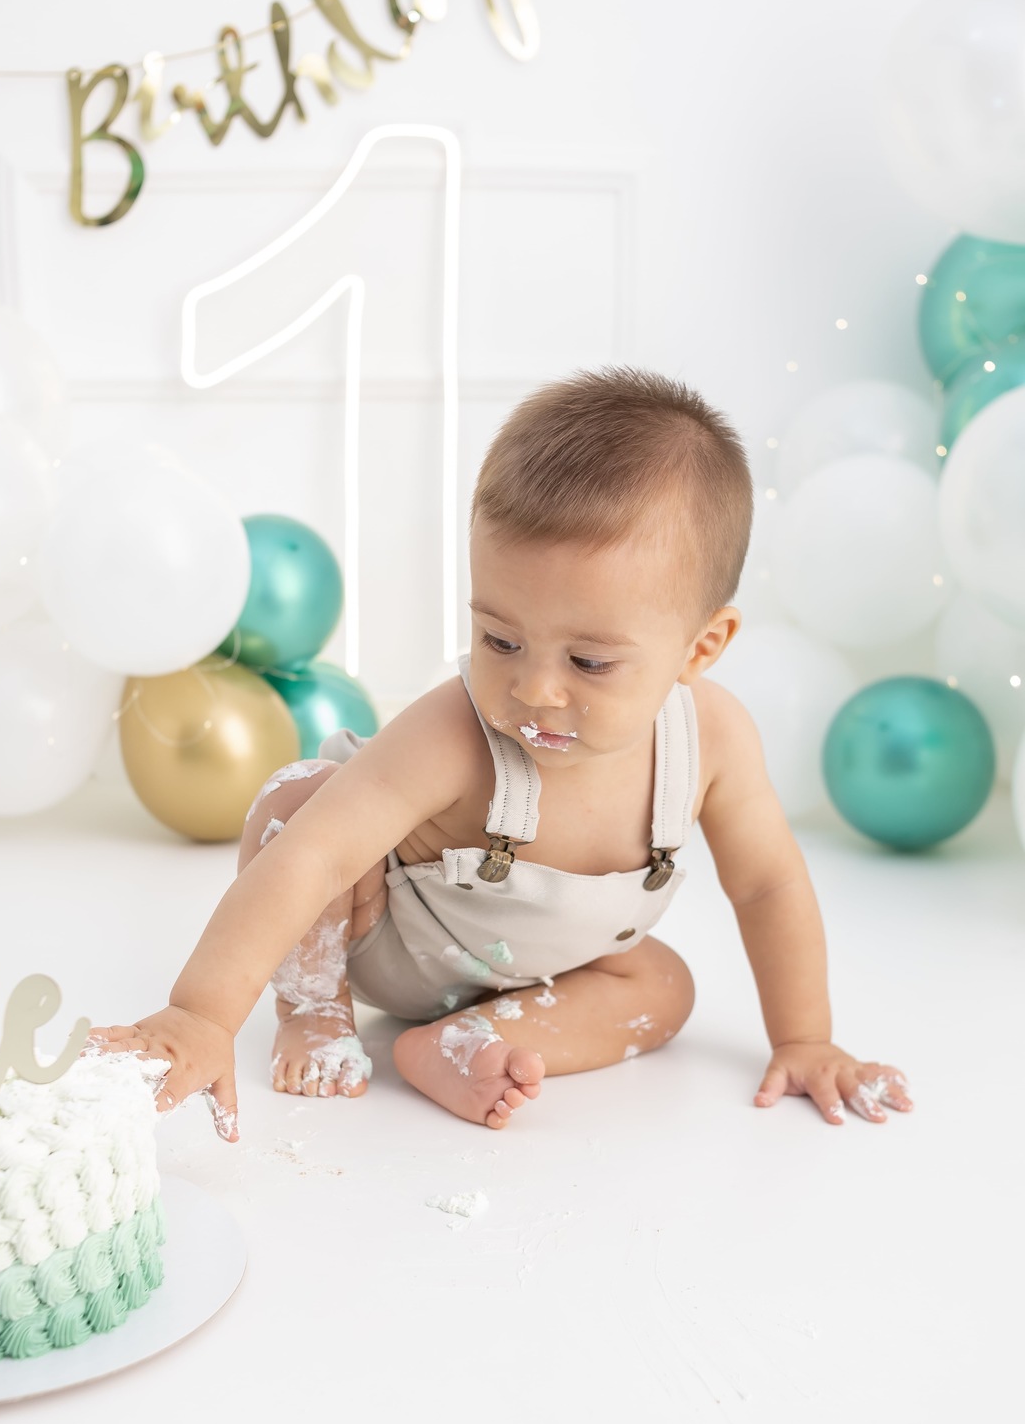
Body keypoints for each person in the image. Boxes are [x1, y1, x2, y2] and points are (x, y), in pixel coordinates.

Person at [88, 367, 913, 1140]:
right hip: (383, 946)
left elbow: (769, 883)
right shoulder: (452, 732)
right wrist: (202, 1013)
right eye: (499, 638)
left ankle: (461, 1041)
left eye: (588, 662)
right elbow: (314, 858)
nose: (535, 691)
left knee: (663, 989)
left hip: (540, 975)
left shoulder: (715, 742)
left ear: (703, 645)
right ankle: (315, 1012)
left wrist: (806, 1036)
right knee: (302, 802)